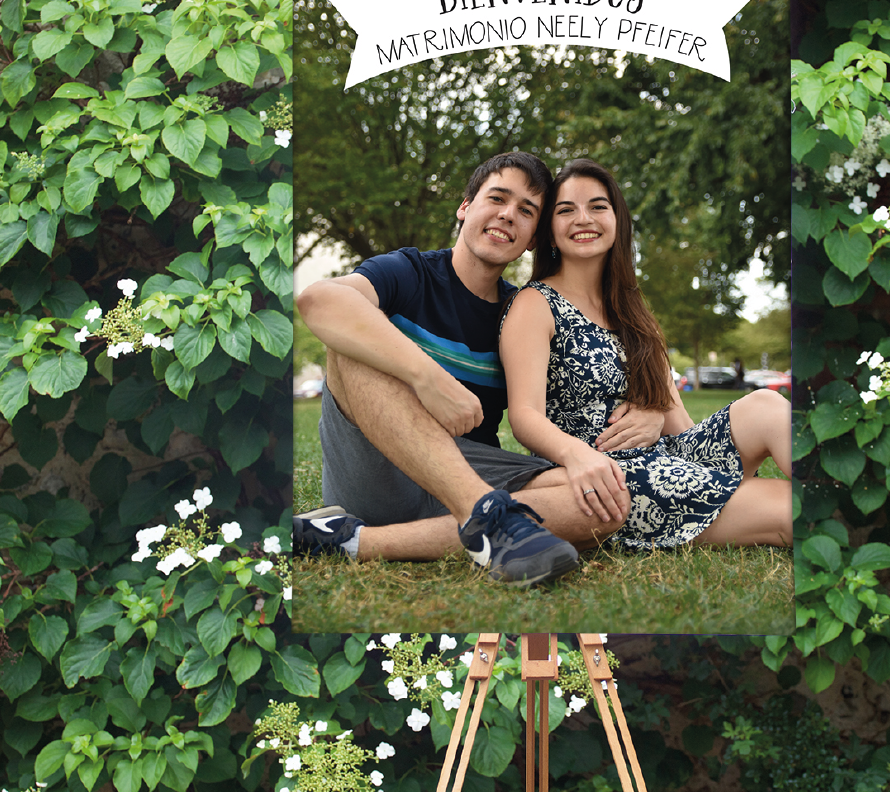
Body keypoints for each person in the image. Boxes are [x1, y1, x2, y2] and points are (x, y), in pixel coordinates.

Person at [293, 152, 631, 586]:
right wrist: (427, 378)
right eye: (497, 198)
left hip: (470, 469)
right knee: (351, 334)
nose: (508, 215)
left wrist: (650, 409)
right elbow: (319, 300)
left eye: (527, 211)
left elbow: (590, 375)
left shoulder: (522, 311)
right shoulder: (410, 272)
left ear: (533, 238)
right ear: (465, 206)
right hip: (378, 471)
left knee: (604, 501)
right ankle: (487, 517)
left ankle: (348, 540)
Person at [499, 158, 792, 551]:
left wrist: (655, 413)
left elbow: (681, 429)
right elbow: (524, 416)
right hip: (607, 477)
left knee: (767, 406)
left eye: (598, 206)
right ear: (550, 232)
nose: (583, 218)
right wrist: (581, 457)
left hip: (664, 458)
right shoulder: (534, 304)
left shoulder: (634, 314)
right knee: (790, 507)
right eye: (566, 210)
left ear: (617, 222)